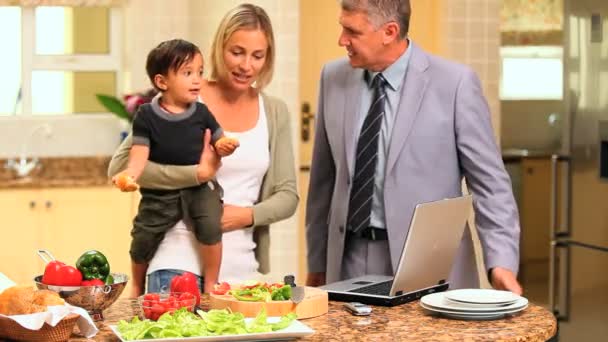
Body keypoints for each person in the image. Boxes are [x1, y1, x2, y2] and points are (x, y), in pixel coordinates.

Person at [305, 0, 523, 294]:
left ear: (389, 31)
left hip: (430, 265)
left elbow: (490, 185)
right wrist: (317, 262)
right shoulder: (332, 77)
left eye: (352, 31)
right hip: (348, 261)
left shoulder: (455, 84)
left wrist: (501, 263)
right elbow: (323, 180)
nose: (342, 40)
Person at [108, 3, 298, 292]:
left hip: (241, 272)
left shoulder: (274, 111)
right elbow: (121, 168)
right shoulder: (183, 98)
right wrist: (197, 174)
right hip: (175, 266)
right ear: (219, 47)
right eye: (237, 52)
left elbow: (288, 195)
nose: (246, 66)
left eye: (257, 56)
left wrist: (245, 216)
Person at [112, 39, 239, 297]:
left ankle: (213, 281)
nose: (197, 80)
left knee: (210, 225)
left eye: (200, 72)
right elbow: (139, 153)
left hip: (201, 187)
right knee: (143, 234)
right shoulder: (146, 115)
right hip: (161, 193)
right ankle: (137, 284)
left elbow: (217, 136)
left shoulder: (202, 112)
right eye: (187, 73)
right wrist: (130, 176)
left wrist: (224, 143)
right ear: (162, 82)